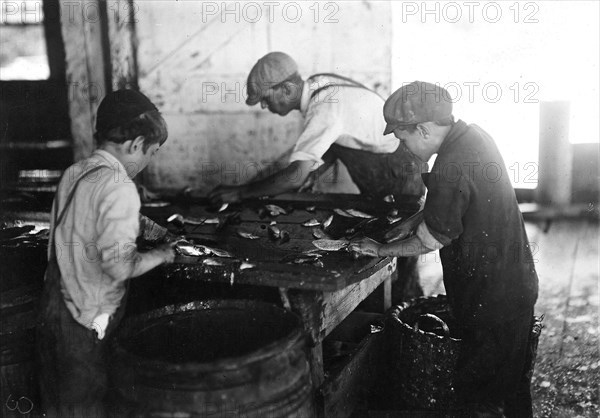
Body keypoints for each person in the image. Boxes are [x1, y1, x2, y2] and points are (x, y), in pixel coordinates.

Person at [349, 81, 539, 417]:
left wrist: (379, 249)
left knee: (478, 397)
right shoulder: (472, 137)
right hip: (513, 287)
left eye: (402, 137)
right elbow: (458, 200)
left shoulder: (450, 164)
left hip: (492, 300)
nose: (402, 146)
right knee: (512, 388)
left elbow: (431, 240)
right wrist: (410, 222)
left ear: (422, 129)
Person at [36, 89, 177, 417]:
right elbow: (118, 266)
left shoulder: (76, 173)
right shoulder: (120, 186)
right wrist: (162, 254)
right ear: (135, 145)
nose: (148, 162)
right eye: (151, 153)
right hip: (86, 323)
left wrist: (154, 230)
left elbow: (98, 214)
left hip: (54, 310)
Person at [208, 51, 425, 204]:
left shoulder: (323, 108)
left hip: (398, 174)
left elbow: (295, 176)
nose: (264, 106)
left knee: (398, 250)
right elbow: (334, 140)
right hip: (396, 165)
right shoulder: (318, 83)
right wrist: (314, 172)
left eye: (265, 98)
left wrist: (241, 192)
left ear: (285, 89)